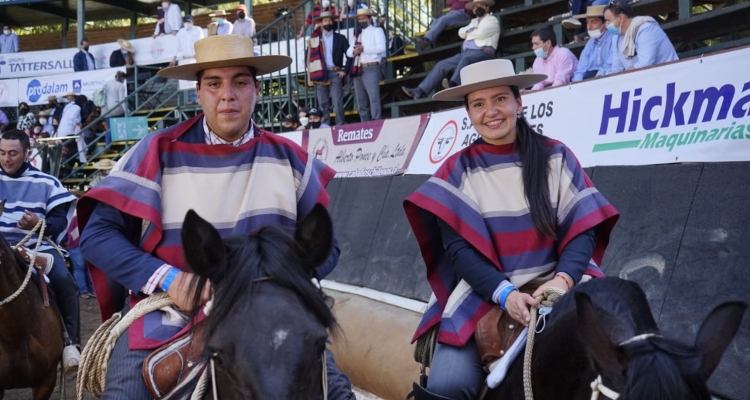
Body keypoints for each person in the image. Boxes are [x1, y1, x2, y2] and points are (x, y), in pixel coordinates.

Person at [78, 35, 356, 400]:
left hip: (272, 316)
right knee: (124, 393)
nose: (227, 94)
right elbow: (98, 236)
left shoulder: (290, 158)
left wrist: (283, 280)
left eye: (240, 82)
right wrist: (170, 278)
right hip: (174, 313)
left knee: (338, 393)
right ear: (198, 93)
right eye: (214, 83)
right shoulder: (156, 151)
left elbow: (327, 248)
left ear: (256, 90)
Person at [403, 59, 619, 400]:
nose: (491, 111)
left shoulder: (556, 156)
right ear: (469, 113)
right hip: (483, 293)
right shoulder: (456, 170)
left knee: (629, 358)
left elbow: (582, 231)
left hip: (560, 284)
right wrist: (506, 294)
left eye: (500, 99)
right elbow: (460, 252)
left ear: (519, 103)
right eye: (478, 104)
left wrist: (560, 283)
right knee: (447, 386)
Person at [0, 129, 82, 372]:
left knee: (64, 282)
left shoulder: (48, 182)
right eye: (2, 153)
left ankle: (71, 343)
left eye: (13, 153)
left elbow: (60, 222)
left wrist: (38, 224)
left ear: (26, 154)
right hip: (0, 247)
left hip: (36, 246)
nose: (6, 159)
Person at [402, 0, 499, 99]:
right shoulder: (473, 22)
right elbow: (461, 32)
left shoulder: (492, 20)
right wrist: (472, 30)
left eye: (481, 6)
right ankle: (420, 91)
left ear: (487, 8)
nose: (478, 8)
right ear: (473, 10)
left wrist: (470, 31)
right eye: (476, 6)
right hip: (467, 53)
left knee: (466, 59)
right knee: (441, 65)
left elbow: (481, 33)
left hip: (483, 52)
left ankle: (453, 85)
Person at [604, 1, 678, 75]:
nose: (606, 25)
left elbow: (645, 64)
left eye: (608, 20)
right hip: (643, 80)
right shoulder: (616, 37)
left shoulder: (646, 29)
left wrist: (622, 75)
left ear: (621, 18)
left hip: (668, 76)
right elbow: (616, 68)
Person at [307, 11, 350, 127]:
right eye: (325, 20)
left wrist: (344, 70)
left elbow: (350, 55)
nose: (328, 22)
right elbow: (309, 57)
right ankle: (325, 126)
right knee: (323, 103)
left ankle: (340, 124)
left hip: (335, 72)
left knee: (337, 101)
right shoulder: (315, 39)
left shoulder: (340, 38)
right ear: (321, 23)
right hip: (320, 73)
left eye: (330, 20)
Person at [347, 8, 386, 122]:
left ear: (369, 19)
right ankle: (364, 122)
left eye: (363, 18)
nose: (361, 20)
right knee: (361, 100)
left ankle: (376, 120)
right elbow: (349, 52)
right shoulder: (357, 35)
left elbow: (382, 48)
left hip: (371, 66)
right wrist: (355, 51)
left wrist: (364, 49)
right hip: (358, 68)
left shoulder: (376, 31)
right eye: (359, 19)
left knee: (373, 97)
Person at [572, 5, 615, 82]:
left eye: (594, 22)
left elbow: (611, 63)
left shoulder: (613, 38)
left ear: (605, 23)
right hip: (589, 81)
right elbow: (581, 69)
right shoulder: (590, 43)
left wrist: (600, 74)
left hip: (607, 79)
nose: (589, 27)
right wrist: (578, 81)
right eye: (587, 22)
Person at [66, 190, 96, 299]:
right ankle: (92, 289)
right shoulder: (85, 208)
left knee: (79, 268)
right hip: (87, 240)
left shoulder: (68, 210)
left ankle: (83, 291)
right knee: (88, 267)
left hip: (75, 242)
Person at [101, 71, 128, 147]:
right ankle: (122, 138)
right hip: (115, 109)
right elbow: (122, 100)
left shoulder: (108, 83)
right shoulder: (120, 86)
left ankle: (107, 145)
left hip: (106, 109)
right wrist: (127, 112)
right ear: (123, 78)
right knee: (125, 118)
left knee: (109, 129)